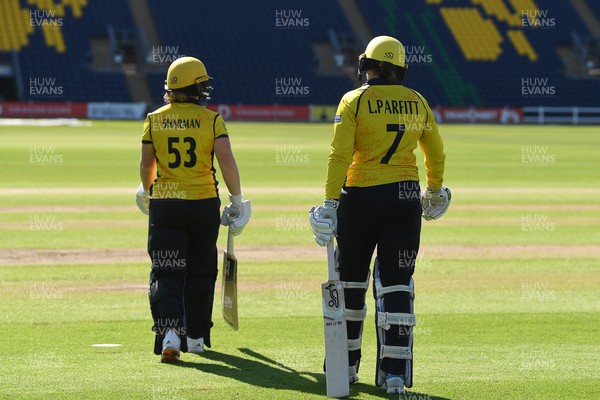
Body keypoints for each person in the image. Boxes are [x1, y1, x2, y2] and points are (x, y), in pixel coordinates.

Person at [309, 36, 450, 394]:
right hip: (404, 198)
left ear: (367, 65)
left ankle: (346, 366)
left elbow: (338, 156)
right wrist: (434, 189)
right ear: (399, 68)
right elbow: (436, 152)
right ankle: (395, 375)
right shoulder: (417, 101)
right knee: (397, 283)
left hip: (359, 197)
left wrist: (329, 202)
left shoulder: (353, 100)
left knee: (351, 281)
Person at [135, 56, 251, 363]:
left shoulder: (154, 119)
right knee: (201, 271)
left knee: (166, 270)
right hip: (202, 205)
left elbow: (148, 164)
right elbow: (226, 161)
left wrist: (147, 189)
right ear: (194, 87)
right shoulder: (212, 120)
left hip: (166, 204)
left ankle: (171, 333)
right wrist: (237, 200)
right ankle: (197, 336)